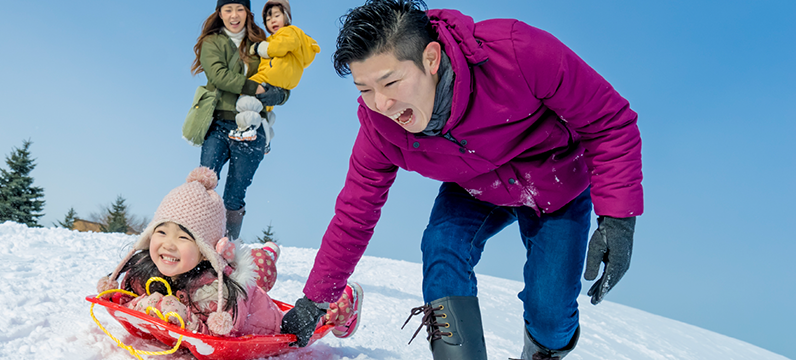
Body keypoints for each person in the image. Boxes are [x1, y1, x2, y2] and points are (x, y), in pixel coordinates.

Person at [278, 1, 642, 359]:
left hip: (556, 180)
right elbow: (355, 213)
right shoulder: (379, 128)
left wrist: (618, 220)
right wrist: (315, 301)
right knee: (442, 245)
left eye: (390, 82)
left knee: (550, 313)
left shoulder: (517, 52)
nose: (381, 104)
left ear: (431, 59)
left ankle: (543, 352)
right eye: (365, 89)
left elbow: (610, 122)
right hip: (476, 187)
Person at [96, 167, 362, 338]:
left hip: (254, 311)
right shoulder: (146, 268)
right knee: (256, 268)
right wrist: (145, 303)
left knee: (300, 313)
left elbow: (218, 335)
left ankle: (346, 303)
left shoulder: (216, 293)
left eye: (183, 237)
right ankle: (265, 255)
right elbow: (126, 299)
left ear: (204, 251)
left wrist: (177, 314)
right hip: (233, 272)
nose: (168, 244)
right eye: (161, 232)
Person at [191, 0, 290, 241]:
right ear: (220, 13)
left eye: (239, 9)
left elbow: (283, 79)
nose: (234, 15)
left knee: (235, 194)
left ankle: (225, 249)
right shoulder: (212, 42)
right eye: (228, 9)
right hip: (219, 123)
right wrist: (253, 87)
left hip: (253, 127)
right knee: (204, 185)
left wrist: (277, 94)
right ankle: (194, 240)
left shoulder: (263, 44)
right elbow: (219, 76)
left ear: (247, 12)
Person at [230, 0, 321, 155]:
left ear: (286, 17)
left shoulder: (289, 32)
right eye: (268, 19)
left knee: (246, 93)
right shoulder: (289, 37)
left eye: (276, 16)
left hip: (271, 75)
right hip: (282, 81)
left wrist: (259, 48)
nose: (272, 21)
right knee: (265, 111)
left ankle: (247, 127)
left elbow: (279, 48)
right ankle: (265, 139)